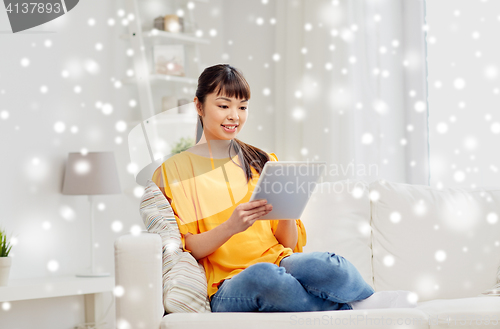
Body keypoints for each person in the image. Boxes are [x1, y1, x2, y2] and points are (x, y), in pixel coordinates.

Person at [152, 64, 416, 312]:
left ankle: (366, 302)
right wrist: (231, 226)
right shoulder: (174, 171)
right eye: (223, 105)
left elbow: (289, 244)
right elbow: (188, 247)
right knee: (265, 277)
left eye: (242, 107)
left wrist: (287, 209)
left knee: (327, 264)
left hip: (280, 262)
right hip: (227, 284)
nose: (234, 116)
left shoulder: (262, 161)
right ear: (199, 106)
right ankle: (355, 310)